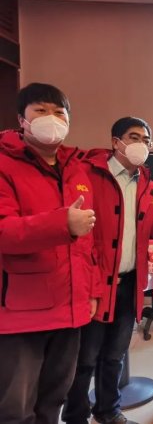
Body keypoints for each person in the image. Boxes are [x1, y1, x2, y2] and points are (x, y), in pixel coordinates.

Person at [63, 117, 153, 424]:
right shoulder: (89, 175)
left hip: (130, 282)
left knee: (115, 355)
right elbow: (79, 237)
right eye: (134, 137)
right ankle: (75, 416)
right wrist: (90, 287)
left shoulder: (147, 184)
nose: (141, 144)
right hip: (97, 284)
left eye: (146, 140)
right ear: (116, 142)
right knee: (85, 359)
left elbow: (151, 229)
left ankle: (108, 411)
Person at [0, 83, 99, 424]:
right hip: (22, 310)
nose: (51, 118)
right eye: (41, 111)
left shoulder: (76, 168)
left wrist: (92, 291)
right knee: (16, 407)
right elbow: (4, 231)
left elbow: (88, 242)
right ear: (21, 120)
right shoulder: (5, 164)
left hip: (69, 306)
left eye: (59, 112)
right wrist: (61, 224)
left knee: (53, 398)